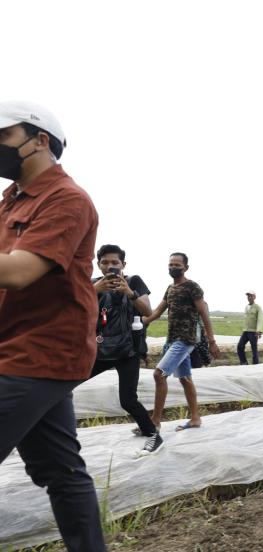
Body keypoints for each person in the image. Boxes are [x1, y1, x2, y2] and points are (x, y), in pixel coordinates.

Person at [0, 102, 106, 551]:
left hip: (41, 352)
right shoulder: (11, 200)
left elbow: (19, 271)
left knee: (62, 471)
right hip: (14, 344)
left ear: (40, 140)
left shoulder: (68, 200)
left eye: (4, 137)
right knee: (61, 470)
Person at [142, 253, 222, 451]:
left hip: (185, 340)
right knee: (185, 379)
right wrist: (141, 322)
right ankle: (195, 418)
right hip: (172, 340)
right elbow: (158, 312)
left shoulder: (192, 287)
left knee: (159, 375)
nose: (173, 267)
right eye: (170, 264)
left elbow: (204, 313)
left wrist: (212, 341)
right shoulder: (170, 289)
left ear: (186, 267)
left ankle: (155, 422)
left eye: (177, 264)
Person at [89, 244, 156, 438]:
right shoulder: (90, 284)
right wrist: (94, 290)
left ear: (123, 264)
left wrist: (129, 292)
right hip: (100, 349)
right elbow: (71, 310)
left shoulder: (133, 281)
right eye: (105, 262)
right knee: (66, 385)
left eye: (115, 262)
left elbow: (147, 311)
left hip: (128, 351)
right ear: (98, 264)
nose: (110, 266)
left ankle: (151, 433)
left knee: (128, 400)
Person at [237, 291, 263, 365]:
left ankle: (255, 364)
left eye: (251, 296)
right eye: (248, 296)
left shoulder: (258, 307)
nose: (249, 297)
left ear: (254, 297)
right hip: (245, 331)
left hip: (253, 332)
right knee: (240, 346)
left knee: (254, 349)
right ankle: (244, 362)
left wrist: (259, 330)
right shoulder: (246, 307)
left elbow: (260, 319)